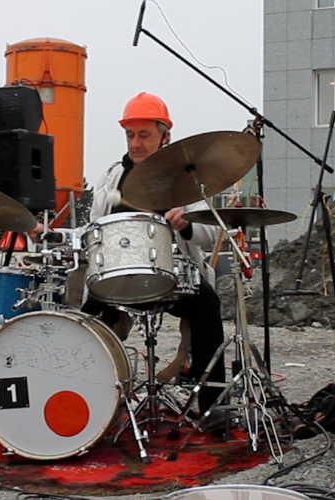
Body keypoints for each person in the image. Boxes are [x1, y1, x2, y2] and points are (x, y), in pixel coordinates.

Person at [82, 92, 226, 415]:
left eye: (144, 134)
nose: (136, 143)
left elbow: (212, 232)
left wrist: (187, 224)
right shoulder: (112, 177)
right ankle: (90, 400)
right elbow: (95, 228)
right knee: (87, 317)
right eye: (130, 134)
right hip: (120, 272)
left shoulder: (185, 175)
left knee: (208, 306)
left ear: (165, 136)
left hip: (175, 275)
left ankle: (213, 406)